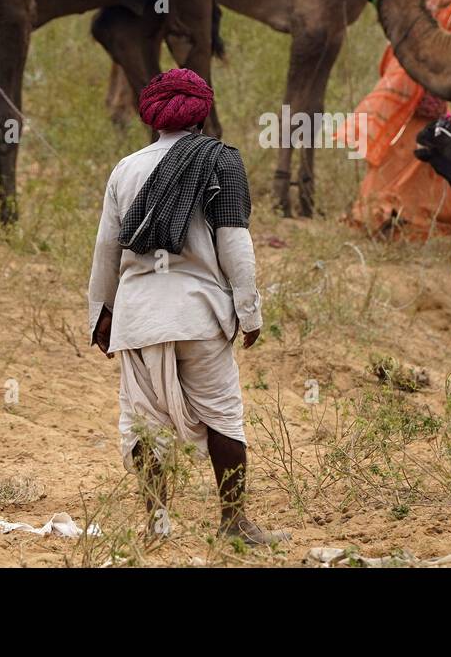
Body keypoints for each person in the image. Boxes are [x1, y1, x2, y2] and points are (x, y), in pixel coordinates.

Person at [88, 68, 288, 545]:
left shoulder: (125, 168)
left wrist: (100, 312)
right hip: (199, 314)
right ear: (201, 113)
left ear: (153, 117)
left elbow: (105, 249)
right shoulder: (222, 161)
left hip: (138, 317)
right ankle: (234, 522)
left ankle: (157, 525)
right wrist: (250, 309)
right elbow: (234, 243)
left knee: (142, 422)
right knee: (223, 416)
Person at [341, 0, 451, 240]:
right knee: (395, 173)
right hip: (410, 120)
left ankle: (422, 226)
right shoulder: (417, 39)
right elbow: (391, 66)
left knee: (439, 174)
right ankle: (384, 220)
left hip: (437, 123)